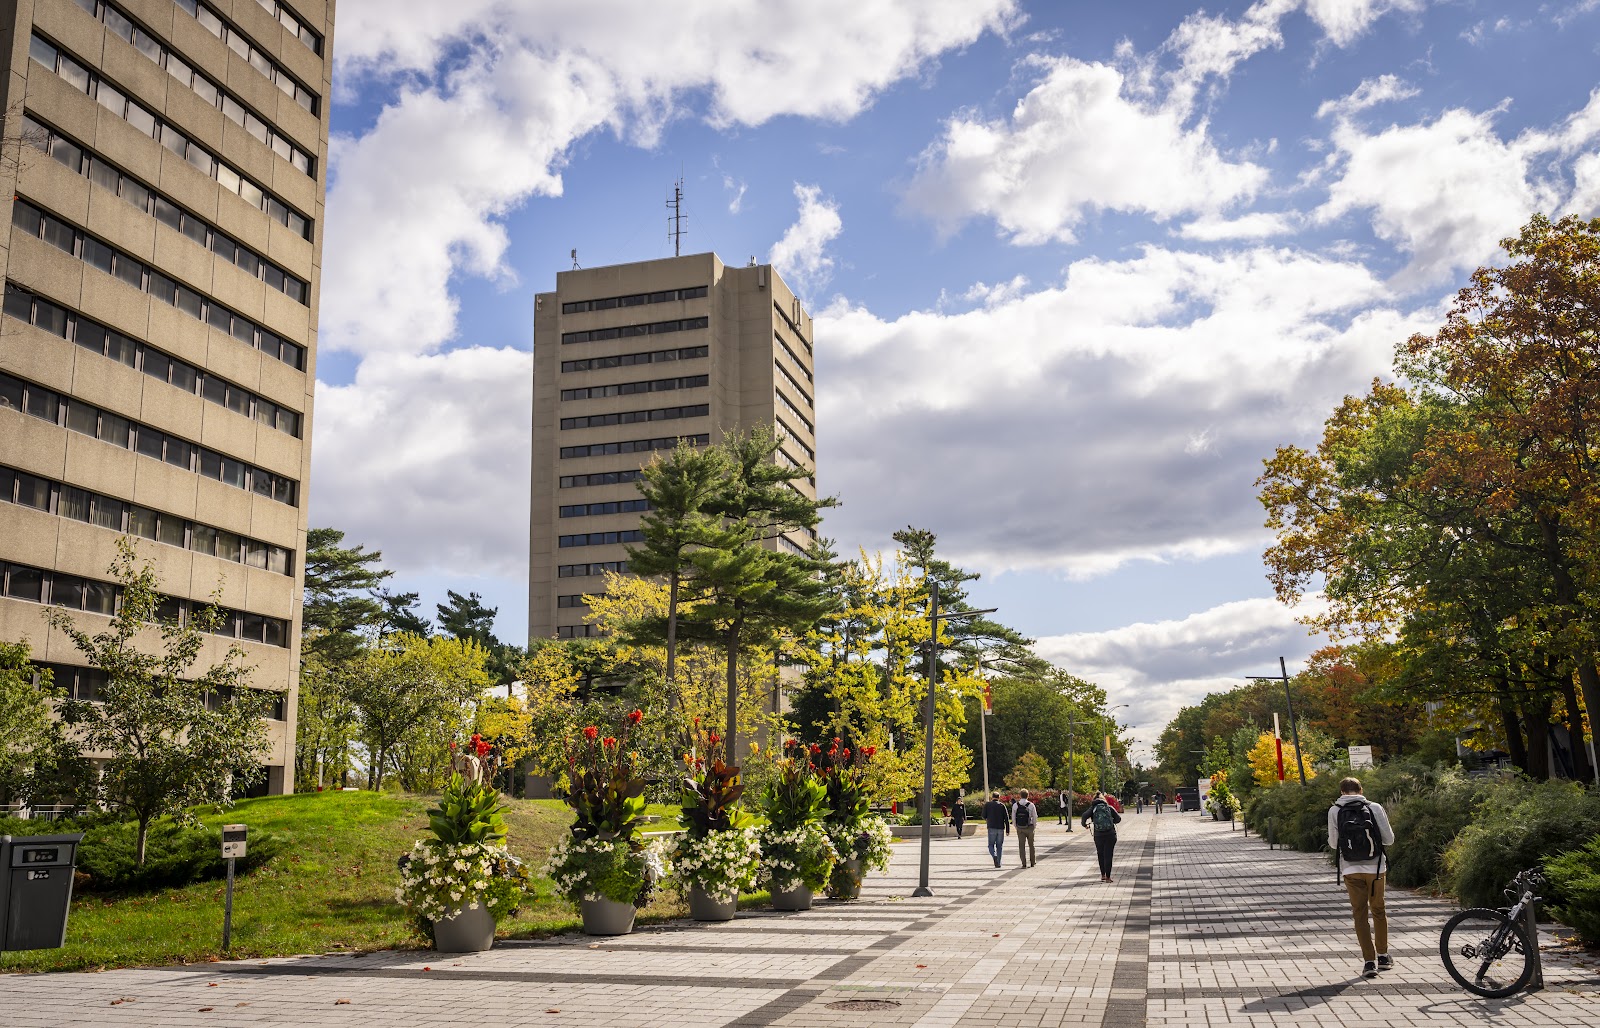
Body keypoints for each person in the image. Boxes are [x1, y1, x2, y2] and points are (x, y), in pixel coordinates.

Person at [1329, 777, 1395, 979]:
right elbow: (1389, 839)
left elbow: (1333, 844)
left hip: (1351, 869)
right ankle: (1383, 956)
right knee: (1378, 909)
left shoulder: (1335, 810)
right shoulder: (1374, 807)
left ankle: (1369, 962)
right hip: (1375, 868)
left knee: (1359, 913)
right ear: (1361, 790)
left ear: (1341, 792)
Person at [1082, 791, 1122, 881]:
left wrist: (1085, 825)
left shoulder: (1093, 808)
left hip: (1098, 835)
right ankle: (1108, 877)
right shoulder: (1109, 807)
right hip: (1110, 834)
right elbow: (1118, 819)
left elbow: (1084, 816)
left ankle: (1103, 875)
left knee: (1100, 854)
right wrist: (1111, 822)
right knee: (1108, 854)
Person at [982, 790, 1010, 868]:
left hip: (991, 827)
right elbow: (1006, 818)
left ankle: (994, 856)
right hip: (1000, 828)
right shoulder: (1002, 805)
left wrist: (988, 819)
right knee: (999, 846)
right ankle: (999, 862)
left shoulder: (987, 805)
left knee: (991, 845)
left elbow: (983, 815)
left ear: (992, 797)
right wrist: (1007, 830)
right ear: (999, 798)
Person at [1012, 789, 1039, 867]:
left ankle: (1024, 863)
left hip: (1020, 828)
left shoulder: (1015, 805)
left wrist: (1016, 826)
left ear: (1020, 795)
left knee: (1021, 846)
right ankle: (1032, 862)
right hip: (1029, 827)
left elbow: (1013, 817)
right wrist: (1034, 826)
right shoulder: (1031, 805)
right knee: (1031, 845)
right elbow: (1034, 817)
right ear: (1028, 795)